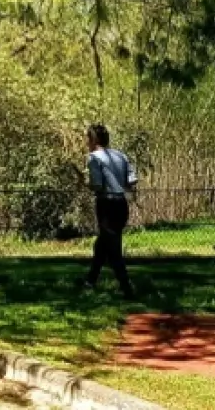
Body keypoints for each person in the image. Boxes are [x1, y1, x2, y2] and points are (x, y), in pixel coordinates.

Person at [81, 124, 137, 299]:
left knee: (113, 249)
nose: (86, 143)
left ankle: (126, 286)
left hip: (106, 204)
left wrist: (86, 183)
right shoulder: (120, 156)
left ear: (94, 139)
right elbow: (131, 181)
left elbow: (97, 185)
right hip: (121, 204)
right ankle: (90, 282)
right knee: (102, 245)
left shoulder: (94, 158)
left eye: (88, 139)